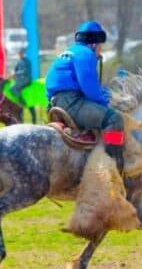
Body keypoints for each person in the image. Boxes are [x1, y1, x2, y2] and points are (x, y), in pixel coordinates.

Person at [45, 21, 125, 176]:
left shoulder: (68, 52)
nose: (100, 51)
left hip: (56, 102)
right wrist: (106, 105)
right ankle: (112, 170)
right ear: (94, 44)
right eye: (100, 46)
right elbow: (90, 89)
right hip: (72, 102)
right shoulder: (86, 54)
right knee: (115, 120)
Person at [10, 47, 36, 124]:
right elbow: (15, 69)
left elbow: (25, 71)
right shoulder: (19, 61)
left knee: (12, 88)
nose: (20, 55)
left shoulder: (27, 61)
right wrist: (13, 73)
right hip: (20, 79)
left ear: (23, 53)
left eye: (21, 53)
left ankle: (22, 101)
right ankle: (21, 121)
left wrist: (16, 73)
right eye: (19, 53)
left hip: (26, 80)